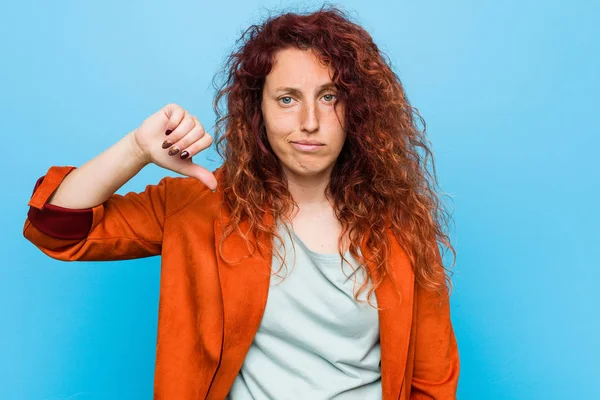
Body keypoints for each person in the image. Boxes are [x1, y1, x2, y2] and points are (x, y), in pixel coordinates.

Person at [23, 5, 459, 400]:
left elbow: (432, 382)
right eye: (287, 99)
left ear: (358, 109)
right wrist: (137, 149)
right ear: (258, 111)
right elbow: (58, 229)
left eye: (329, 97)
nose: (309, 122)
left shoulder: (401, 226)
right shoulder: (200, 204)